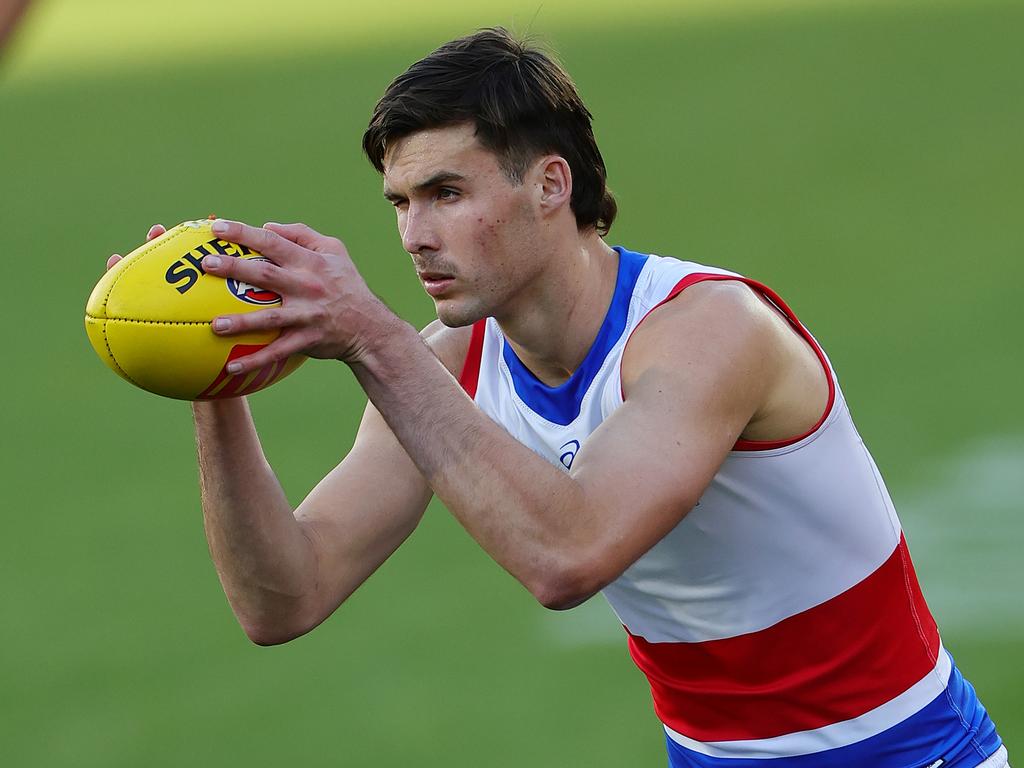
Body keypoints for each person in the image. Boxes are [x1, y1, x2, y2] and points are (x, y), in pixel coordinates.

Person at [111, 28, 1008, 768]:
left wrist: (372, 339)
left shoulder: (709, 330)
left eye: (446, 193)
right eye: (399, 202)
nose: (415, 235)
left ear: (550, 184)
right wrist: (208, 383)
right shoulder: (450, 361)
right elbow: (285, 598)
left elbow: (568, 555)